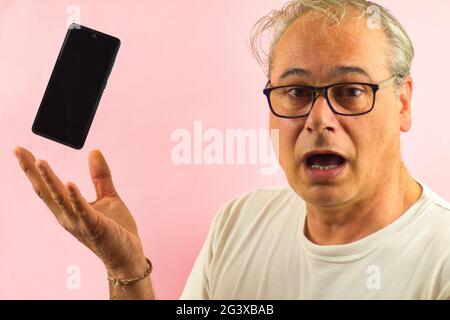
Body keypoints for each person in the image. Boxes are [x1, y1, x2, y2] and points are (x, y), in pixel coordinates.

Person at [13, 0, 450, 299]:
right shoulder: (238, 223)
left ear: (403, 103)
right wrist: (126, 272)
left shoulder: (441, 260)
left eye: (351, 91)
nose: (319, 119)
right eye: (296, 92)